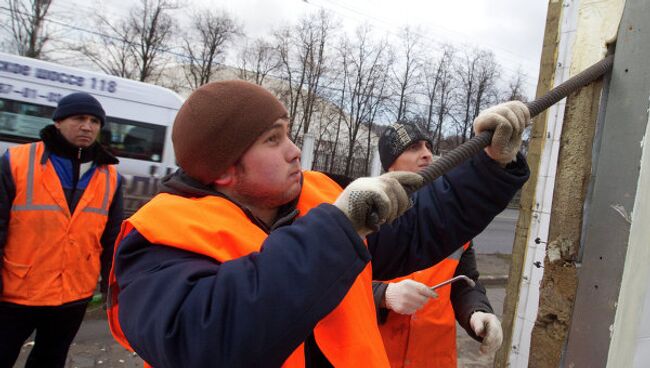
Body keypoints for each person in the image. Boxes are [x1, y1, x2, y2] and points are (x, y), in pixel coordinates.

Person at [106, 80, 530, 367]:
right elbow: (205, 341)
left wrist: (489, 164)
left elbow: (418, 229)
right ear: (222, 170)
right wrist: (338, 228)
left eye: (289, 134)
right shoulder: (158, 237)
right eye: (273, 139)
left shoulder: (317, 195)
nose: (294, 152)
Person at [0, 92, 124, 368]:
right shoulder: (17, 161)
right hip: (16, 291)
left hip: (73, 295)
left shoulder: (111, 176)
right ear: (58, 122)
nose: (87, 126)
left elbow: (112, 239)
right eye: (79, 118)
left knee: (50, 360)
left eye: (94, 121)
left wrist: (110, 288)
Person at [373, 122, 502, 367]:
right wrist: (384, 295)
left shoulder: (448, 222)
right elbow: (334, 285)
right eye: (413, 147)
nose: (427, 153)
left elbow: (465, 282)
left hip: (434, 359)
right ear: (390, 163)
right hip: (376, 358)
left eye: (428, 146)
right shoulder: (368, 216)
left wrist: (478, 312)